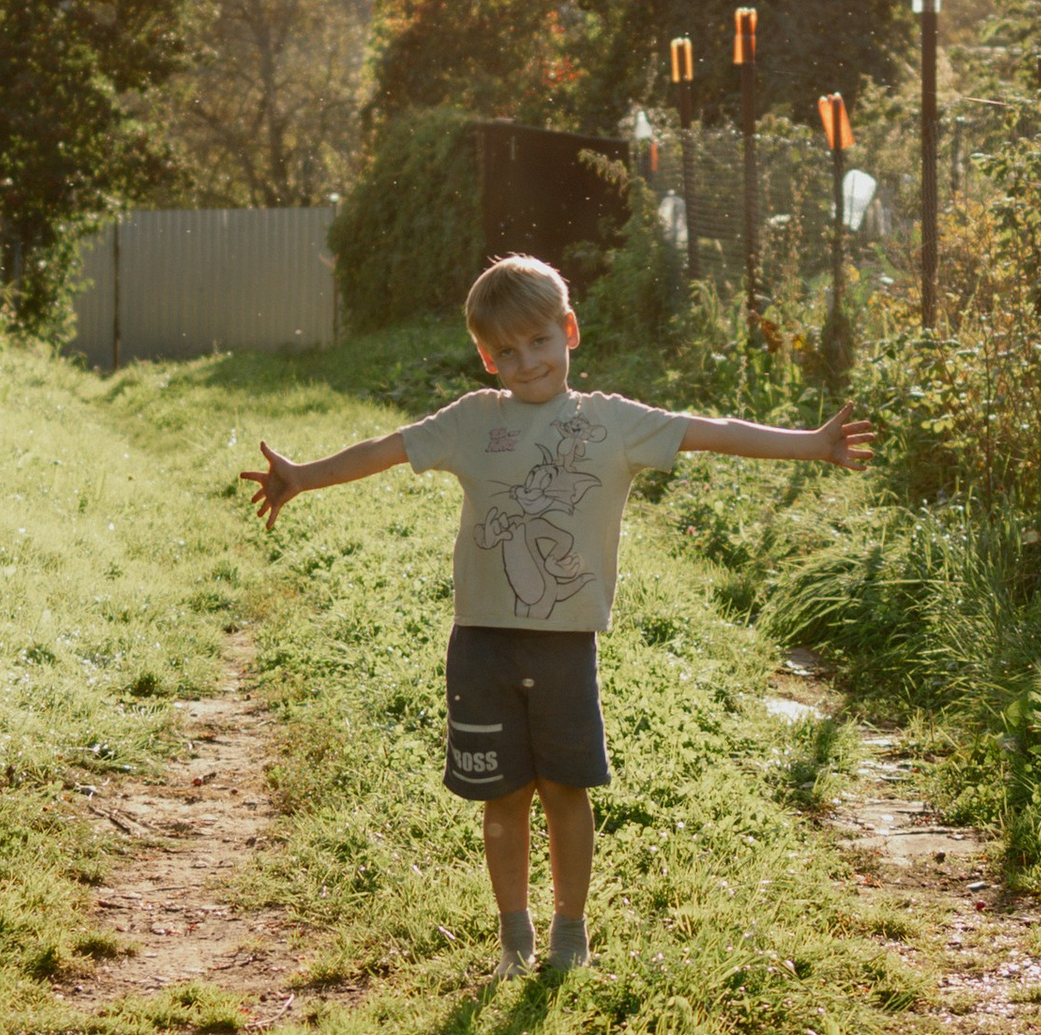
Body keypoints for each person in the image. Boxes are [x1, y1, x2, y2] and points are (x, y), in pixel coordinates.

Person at [240, 252, 874, 979]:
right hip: (481, 644)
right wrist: (303, 476)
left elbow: (714, 429)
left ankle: (570, 931)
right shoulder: (473, 421)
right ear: (485, 358)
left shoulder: (613, 422)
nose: (526, 360)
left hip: (567, 645)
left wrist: (812, 445)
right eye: (505, 350)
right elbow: (385, 450)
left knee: (567, 791)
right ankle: (515, 936)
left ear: (568, 330)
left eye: (539, 340)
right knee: (503, 798)